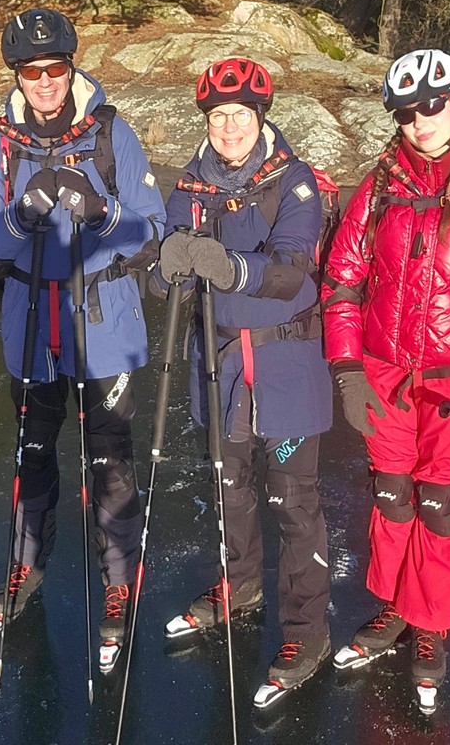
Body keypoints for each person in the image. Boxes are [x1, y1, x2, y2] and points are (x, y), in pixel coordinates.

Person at [323, 48, 450, 705]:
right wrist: (348, 372)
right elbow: (342, 283)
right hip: (385, 374)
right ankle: (394, 605)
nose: (421, 121)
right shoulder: (379, 186)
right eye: (407, 112)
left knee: (440, 504)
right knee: (391, 495)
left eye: (433, 105)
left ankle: (430, 623)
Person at [0, 7, 165, 661]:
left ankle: (119, 580)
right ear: (17, 77)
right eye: (31, 71)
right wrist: (19, 217)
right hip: (31, 324)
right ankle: (26, 566)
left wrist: (102, 211)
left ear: (71, 67)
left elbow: (153, 233)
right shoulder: (1, 148)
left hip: (104, 321)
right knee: (33, 454)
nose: (45, 80)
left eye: (55, 67)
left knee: (110, 460)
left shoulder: (112, 134)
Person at [156, 58, 332, 704]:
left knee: (293, 503)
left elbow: (292, 268)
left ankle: (306, 631)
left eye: (241, 115)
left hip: (286, 369)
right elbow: (169, 263)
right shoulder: (190, 184)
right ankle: (240, 585)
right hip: (220, 364)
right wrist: (166, 265)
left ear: (262, 118)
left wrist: (230, 267)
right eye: (218, 116)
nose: (229, 128)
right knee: (229, 490)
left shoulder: (294, 182)